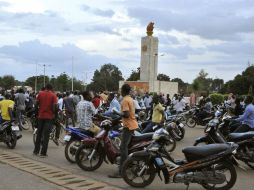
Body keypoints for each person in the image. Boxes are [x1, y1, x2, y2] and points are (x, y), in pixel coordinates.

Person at [109, 84, 138, 178]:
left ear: (123, 91)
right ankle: (128, 165)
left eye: (121, 90)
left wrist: (116, 112)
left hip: (128, 126)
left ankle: (122, 170)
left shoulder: (125, 100)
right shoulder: (130, 99)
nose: (120, 91)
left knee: (123, 147)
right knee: (126, 146)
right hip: (132, 124)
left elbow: (126, 114)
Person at [33, 84, 58, 157]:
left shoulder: (40, 94)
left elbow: (36, 105)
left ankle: (36, 151)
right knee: (46, 136)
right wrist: (55, 116)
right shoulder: (53, 95)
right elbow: (55, 107)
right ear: (51, 88)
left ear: (46, 88)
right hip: (49, 118)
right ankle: (43, 153)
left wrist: (36, 114)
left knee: (39, 134)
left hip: (40, 117)